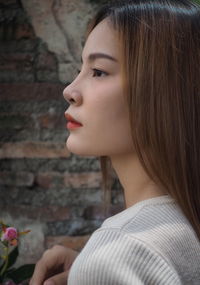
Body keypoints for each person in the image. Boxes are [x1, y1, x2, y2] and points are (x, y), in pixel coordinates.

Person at [30, 0, 200, 284]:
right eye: (80, 69)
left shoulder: (116, 256)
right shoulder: (183, 229)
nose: (69, 90)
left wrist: (100, 268)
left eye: (98, 71)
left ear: (164, 91)